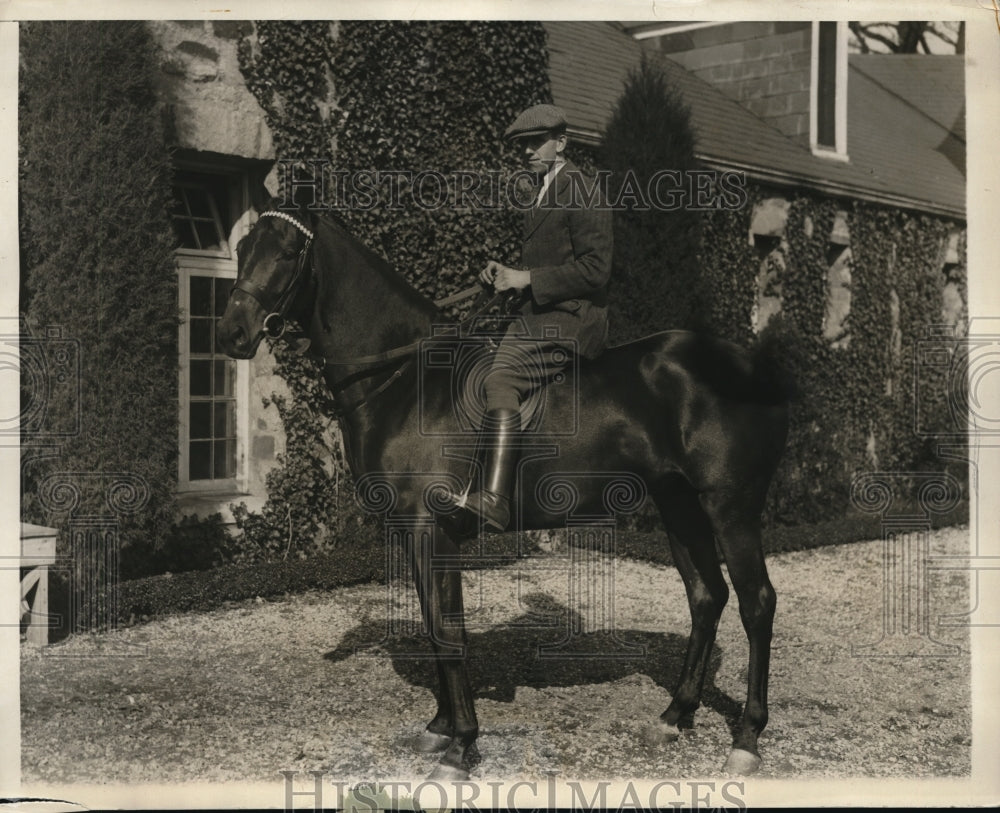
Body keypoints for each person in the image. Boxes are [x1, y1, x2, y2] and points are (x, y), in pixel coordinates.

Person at [454, 103, 613, 532]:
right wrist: (501, 274)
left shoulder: (582, 189)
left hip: (572, 320)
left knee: (500, 379)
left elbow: (597, 269)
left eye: (535, 142)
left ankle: (495, 499)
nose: (526, 150)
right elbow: (547, 264)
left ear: (561, 143)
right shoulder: (543, 189)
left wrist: (525, 278)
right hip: (540, 314)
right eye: (522, 144)